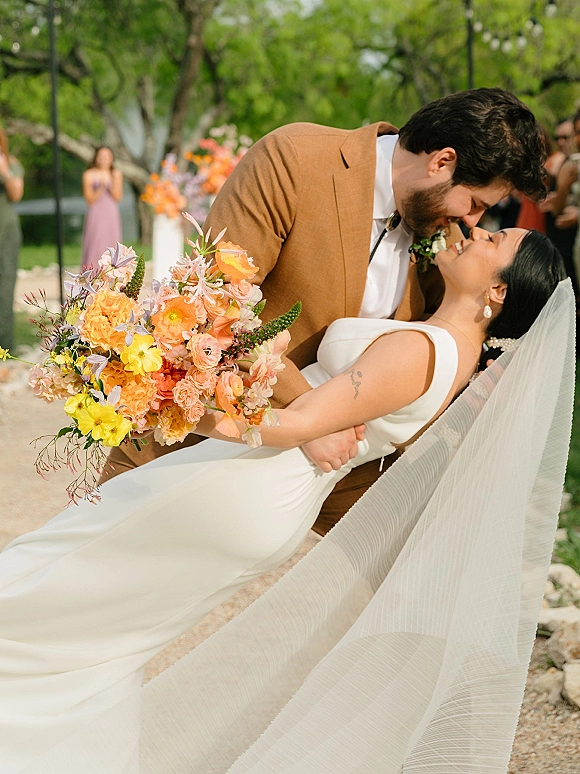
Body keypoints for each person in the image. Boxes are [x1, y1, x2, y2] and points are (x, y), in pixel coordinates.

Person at [0, 226, 567, 773]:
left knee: (53, 579)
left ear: (498, 290)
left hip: (249, 483)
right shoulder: (443, 348)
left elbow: (297, 425)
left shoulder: (428, 352)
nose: (477, 233)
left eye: (495, 241)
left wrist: (165, 402)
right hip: (257, 489)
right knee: (100, 630)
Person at [101, 88, 548, 537]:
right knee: (98, 576)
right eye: (474, 203)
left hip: (333, 475)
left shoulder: (448, 244)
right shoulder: (294, 158)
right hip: (196, 439)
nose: (471, 223)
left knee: (413, 575)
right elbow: (215, 303)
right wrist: (308, 422)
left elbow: (435, 354)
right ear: (442, 162)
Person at [0, 127, 24, 351]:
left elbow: (16, 194)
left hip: (5, 232)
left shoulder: (12, 163)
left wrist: (5, 170)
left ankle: (4, 346)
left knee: (5, 287)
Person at [81, 145, 123, 272]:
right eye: (101, 157)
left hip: (111, 211)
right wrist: (100, 186)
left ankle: (112, 273)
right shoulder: (89, 174)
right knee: (95, 241)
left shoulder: (116, 173)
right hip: (96, 211)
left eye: (107, 157)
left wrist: (111, 183)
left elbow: (117, 197)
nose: (104, 160)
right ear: (96, 158)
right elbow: (89, 199)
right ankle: (92, 272)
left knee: (112, 241)